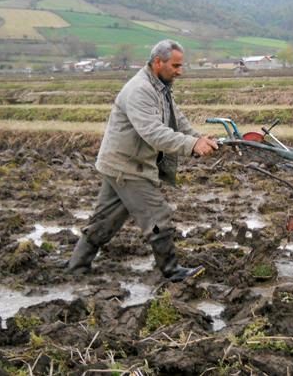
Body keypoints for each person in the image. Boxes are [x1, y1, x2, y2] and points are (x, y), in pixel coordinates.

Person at [66, 39, 218, 281]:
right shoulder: (140, 90)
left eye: (181, 66)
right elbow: (153, 132)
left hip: (120, 164)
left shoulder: (160, 87)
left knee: (105, 221)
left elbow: (176, 119)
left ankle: (76, 267)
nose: (180, 71)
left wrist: (199, 138)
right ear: (158, 62)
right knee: (158, 217)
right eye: (176, 66)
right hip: (128, 167)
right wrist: (191, 146)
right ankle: (171, 271)